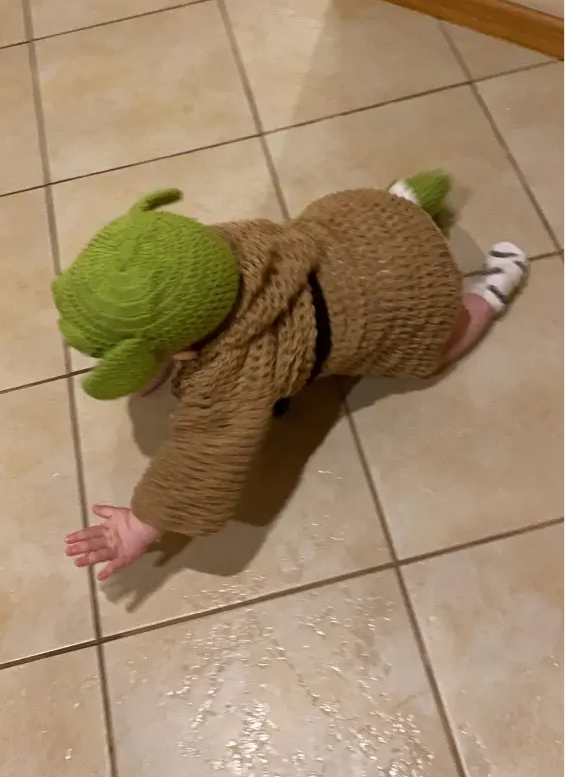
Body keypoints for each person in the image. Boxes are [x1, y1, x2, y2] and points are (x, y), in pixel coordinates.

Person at [57, 173, 527, 581]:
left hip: (406, 296)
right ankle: (407, 201)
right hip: (361, 222)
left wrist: (142, 523)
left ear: (182, 349)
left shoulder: (237, 375)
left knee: (436, 347)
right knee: (355, 226)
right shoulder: (219, 246)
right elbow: (174, 304)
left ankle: (490, 292)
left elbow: (204, 455)